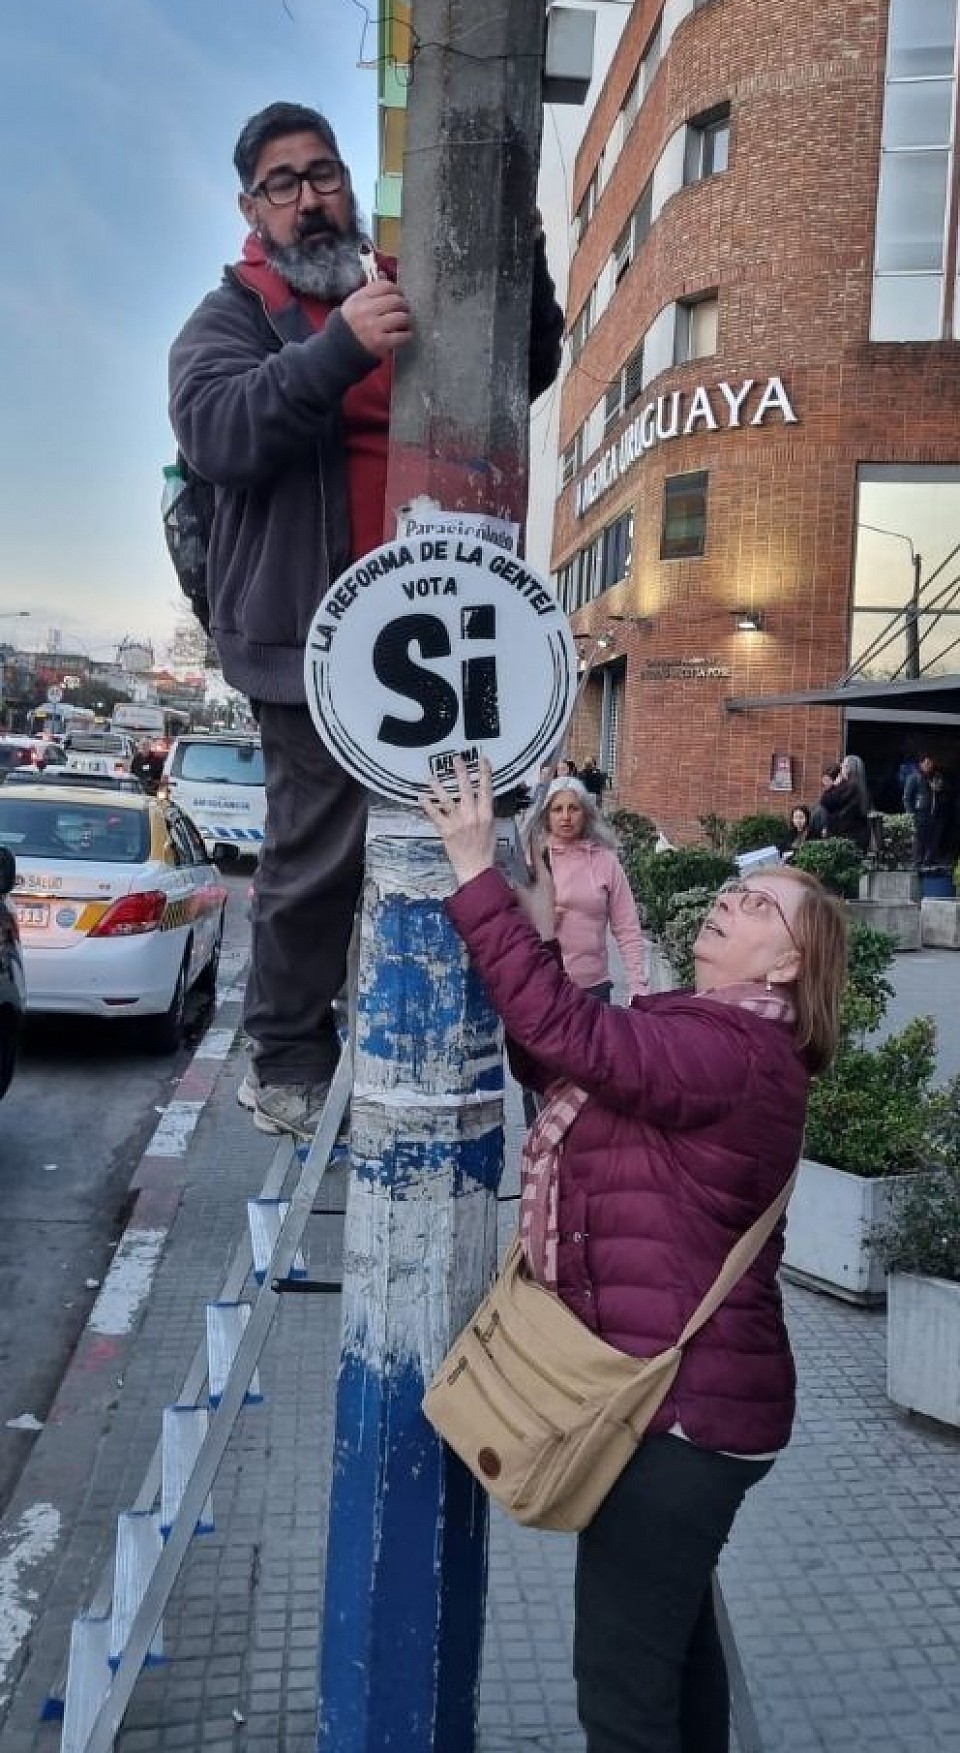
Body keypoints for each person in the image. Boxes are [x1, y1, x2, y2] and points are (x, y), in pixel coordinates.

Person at [423, 756, 847, 1753]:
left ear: (784, 966)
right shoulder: (699, 1030)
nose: (724, 908)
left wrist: (475, 872)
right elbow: (560, 1050)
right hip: (685, 1407)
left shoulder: (734, 1055)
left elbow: (570, 1033)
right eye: (731, 893)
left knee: (620, 1694)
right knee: (673, 1656)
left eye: (753, 908)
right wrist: (527, 921)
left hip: (682, 1417)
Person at [169, 102, 564, 1140]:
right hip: (308, 640)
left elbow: (520, 367)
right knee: (314, 858)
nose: (310, 198)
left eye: (323, 174)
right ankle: (291, 1062)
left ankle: (494, 1040)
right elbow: (217, 430)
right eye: (283, 184)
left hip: (439, 628)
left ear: (350, 184)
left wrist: (521, 259)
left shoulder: (409, 281)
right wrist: (337, 350)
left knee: (474, 841)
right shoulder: (233, 316)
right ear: (252, 208)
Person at [529, 777, 649, 1004]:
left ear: (586, 813)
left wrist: (637, 986)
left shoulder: (605, 862)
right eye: (557, 809)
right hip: (544, 988)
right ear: (546, 815)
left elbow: (627, 929)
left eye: (573, 808)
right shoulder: (533, 861)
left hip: (594, 990)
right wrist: (541, 922)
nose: (566, 817)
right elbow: (511, 924)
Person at [818, 752, 871, 853]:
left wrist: (831, 787)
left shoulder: (848, 787)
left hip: (844, 835)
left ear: (849, 769)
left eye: (844, 765)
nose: (841, 767)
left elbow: (826, 802)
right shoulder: (862, 788)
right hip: (858, 834)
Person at [904, 752, 948, 869]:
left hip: (936, 815)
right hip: (920, 815)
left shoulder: (937, 777)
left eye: (931, 763)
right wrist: (911, 815)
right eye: (927, 763)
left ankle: (929, 863)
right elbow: (907, 798)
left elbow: (946, 797)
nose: (929, 766)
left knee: (933, 842)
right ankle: (917, 863)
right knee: (919, 841)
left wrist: (939, 791)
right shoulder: (914, 778)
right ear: (921, 764)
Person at [808, 762, 840, 838]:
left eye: (827, 780)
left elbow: (829, 810)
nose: (824, 782)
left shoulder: (837, 792)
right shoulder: (828, 791)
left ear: (834, 780)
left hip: (829, 825)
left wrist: (825, 827)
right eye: (823, 779)